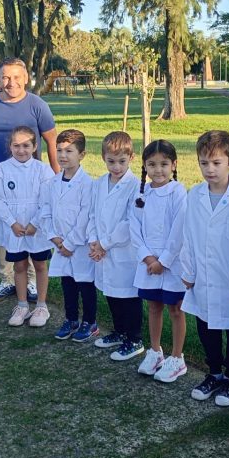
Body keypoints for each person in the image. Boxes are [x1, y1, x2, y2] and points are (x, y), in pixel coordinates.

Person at [0, 58, 59, 305]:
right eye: (5, 77)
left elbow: (52, 141)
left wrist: (56, 177)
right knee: (4, 226)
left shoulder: (37, 105)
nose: (11, 82)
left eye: (16, 77)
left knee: (29, 225)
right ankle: (7, 278)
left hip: (31, 181)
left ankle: (30, 280)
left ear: (26, 78)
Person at [181, 131, 229, 406]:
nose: (209, 169)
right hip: (202, 276)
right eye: (204, 163)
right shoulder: (194, 195)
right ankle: (213, 373)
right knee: (206, 326)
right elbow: (188, 236)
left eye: (216, 163)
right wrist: (188, 272)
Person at [130, 140, 188, 383]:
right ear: (145, 166)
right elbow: (134, 227)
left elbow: (179, 230)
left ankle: (177, 358)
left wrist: (163, 261)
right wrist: (148, 257)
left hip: (172, 264)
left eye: (164, 164)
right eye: (152, 164)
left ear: (174, 165)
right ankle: (155, 352)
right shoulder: (141, 194)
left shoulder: (179, 192)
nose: (158, 170)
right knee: (154, 307)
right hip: (148, 263)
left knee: (176, 309)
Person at [0, 126, 55, 328]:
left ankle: (41, 306)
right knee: (19, 266)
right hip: (14, 228)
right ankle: (22, 305)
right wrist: (12, 222)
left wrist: (35, 223)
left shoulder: (43, 170)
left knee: (40, 265)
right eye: (16, 145)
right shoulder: (1, 169)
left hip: (37, 227)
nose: (21, 150)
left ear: (34, 147)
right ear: (10, 146)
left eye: (26, 145)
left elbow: (48, 201)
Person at [88, 131, 144, 361]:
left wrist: (104, 244)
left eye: (122, 161)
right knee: (111, 293)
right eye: (111, 161)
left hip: (123, 251)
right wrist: (94, 241)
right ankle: (120, 332)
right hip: (102, 251)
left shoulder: (136, 186)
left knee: (128, 296)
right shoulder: (99, 184)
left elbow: (129, 223)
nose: (116, 167)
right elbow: (92, 214)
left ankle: (135, 339)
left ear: (131, 157)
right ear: (103, 158)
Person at [41, 130, 97, 342]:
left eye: (69, 151)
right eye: (59, 150)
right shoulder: (52, 183)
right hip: (60, 245)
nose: (63, 155)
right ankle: (71, 319)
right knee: (68, 284)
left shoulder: (88, 184)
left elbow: (85, 216)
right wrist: (55, 238)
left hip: (79, 246)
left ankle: (90, 322)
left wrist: (70, 243)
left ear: (82, 155)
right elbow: (45, 212)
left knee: (85, 284)